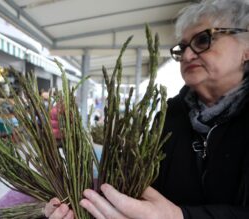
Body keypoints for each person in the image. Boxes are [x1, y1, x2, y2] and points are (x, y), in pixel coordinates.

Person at [44, 0, 249, 218]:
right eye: (181, 48)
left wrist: (180, 216)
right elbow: (138, 177)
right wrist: (75, 144)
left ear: (246, 48)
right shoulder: (170, 116)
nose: (187, 56)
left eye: (203, 40)